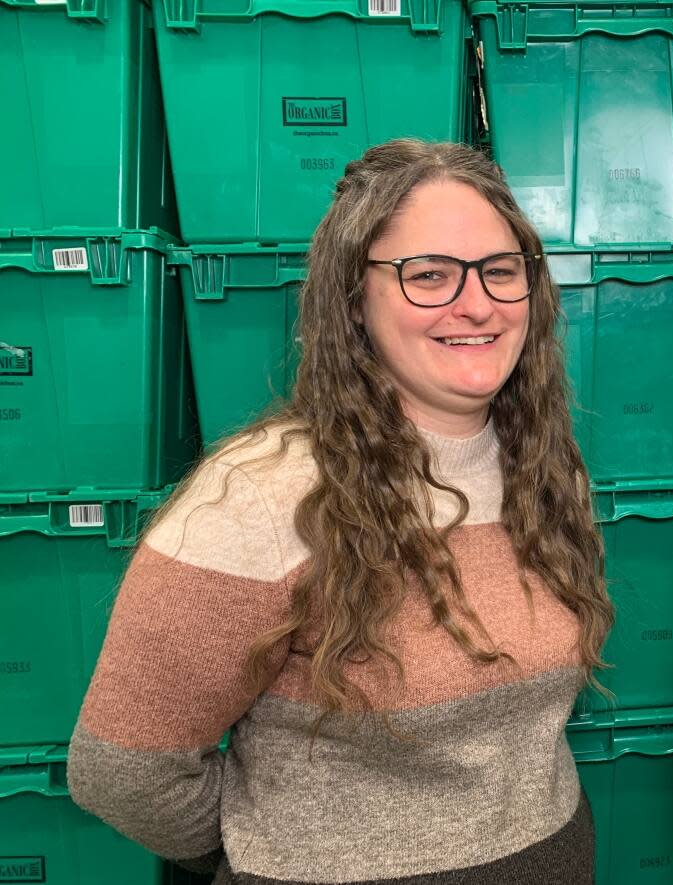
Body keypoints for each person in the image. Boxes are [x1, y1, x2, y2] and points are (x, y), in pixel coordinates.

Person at [68, 139, 612, 885]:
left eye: (501, 270)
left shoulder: (549, 472)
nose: (477, 302)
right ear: (353, 299)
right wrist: (271, 850)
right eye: (428, 275)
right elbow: (122, 769)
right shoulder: (263, 497)